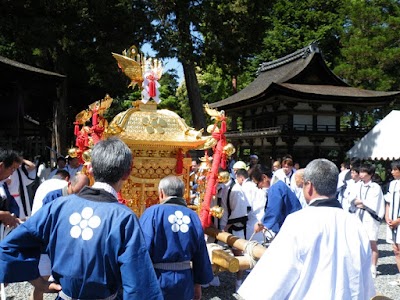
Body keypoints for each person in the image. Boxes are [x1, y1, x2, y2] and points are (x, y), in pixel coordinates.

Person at [0, 138, 163, 299]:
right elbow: (139, 286)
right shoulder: (124, 218)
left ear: (89, 169)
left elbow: (10, 246)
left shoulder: (58, 206)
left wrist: (38, 282)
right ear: (128, 173)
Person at [238, 158, 376, 299]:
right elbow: (365, 283)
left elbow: (277, 275)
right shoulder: (356, 224)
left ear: (309, 186)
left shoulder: (298, 221)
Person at [139, 175, 213, 300]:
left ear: (161, 193)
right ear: (182, 193)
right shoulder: (192, 216)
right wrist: (198, 283)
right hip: (184, 280)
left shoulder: (152, 213)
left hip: (157, 280)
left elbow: (141, 250)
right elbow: (200, 252)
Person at [30, 172, 89, 300]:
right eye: (75, 192)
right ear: (69, 184)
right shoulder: (52, 196)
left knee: (63, 283)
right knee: (42, 282)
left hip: (68, 247)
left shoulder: (85, 199)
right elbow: (44, 223)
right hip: (48, 244)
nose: (77, 196)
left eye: (82, 193)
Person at [350, 162, 385, 278]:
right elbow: (351, 199)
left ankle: (373, 267)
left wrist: (362, 203)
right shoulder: (356, 185)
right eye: (360, 171)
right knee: (358, 241)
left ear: (370, 174)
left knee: (372, 242)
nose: (361, 174)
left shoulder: (375, 187)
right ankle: (360, 266)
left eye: (364, 172)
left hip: (370, 217)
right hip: (358, 215)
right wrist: (359, 202)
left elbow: (373, 203)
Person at [252, 164, 302, 236]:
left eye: (257, 183)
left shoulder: (275, 188)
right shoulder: (278, 185)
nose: (258, 187)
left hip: (291, 228)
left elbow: (274, 211)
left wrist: (262, 224)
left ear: (264, 177)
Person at [385, 160, 400, 286]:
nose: (393, 172)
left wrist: (397, 220)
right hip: (392, 221)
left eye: (396, 169)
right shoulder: (392, 184)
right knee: (396, 249)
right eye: (392, 169)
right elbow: (388, 201)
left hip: (398, 221)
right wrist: (387, 216)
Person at [0, 148, 21, 235]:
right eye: (12, 169)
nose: (12, 173)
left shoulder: (3, 185)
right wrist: (2, 215)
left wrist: (13, 216)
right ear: (1, 166)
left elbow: (11, 203)